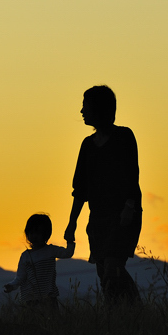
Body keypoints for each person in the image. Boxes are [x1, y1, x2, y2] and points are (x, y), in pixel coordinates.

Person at [64, 85, 142, 303]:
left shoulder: (124, 137)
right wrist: (72, 223)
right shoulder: (87, 146)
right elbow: (80, 189)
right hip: (98, 218)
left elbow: (131, 175)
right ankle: (117, 315)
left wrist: (129, 207)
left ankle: (136, 309)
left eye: (85, 106)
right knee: (104, 275)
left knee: (112, 267)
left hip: (123, 215)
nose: (81, 111)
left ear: (98, 108)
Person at [4, 213, 75, 309]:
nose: (34, 236)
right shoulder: (25, 256)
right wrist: (12, 286)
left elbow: (67, 253)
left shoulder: (51, 250)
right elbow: (20, 277)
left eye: (38, 233)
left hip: (49, 297)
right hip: (30, 299)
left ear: (45, 234)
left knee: (52, 321)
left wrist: (70, 241)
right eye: (31, 233)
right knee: (35, 322)